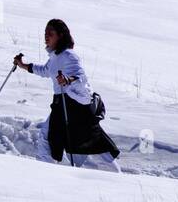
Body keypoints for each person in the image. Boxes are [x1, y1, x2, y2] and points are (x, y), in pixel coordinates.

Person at [14, 18, 121, 170]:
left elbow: (81, 78)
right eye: (45, 32)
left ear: (61, 35)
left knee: (91, 143)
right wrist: (24, 66)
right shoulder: (55, 57)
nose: (46, 36)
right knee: (46, 136)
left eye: (50, 33)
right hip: (61, 105)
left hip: (75, 107)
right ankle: (46, 171)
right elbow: (45, 70)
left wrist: (68, 80)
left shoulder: (69, 55)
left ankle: (117, 178)